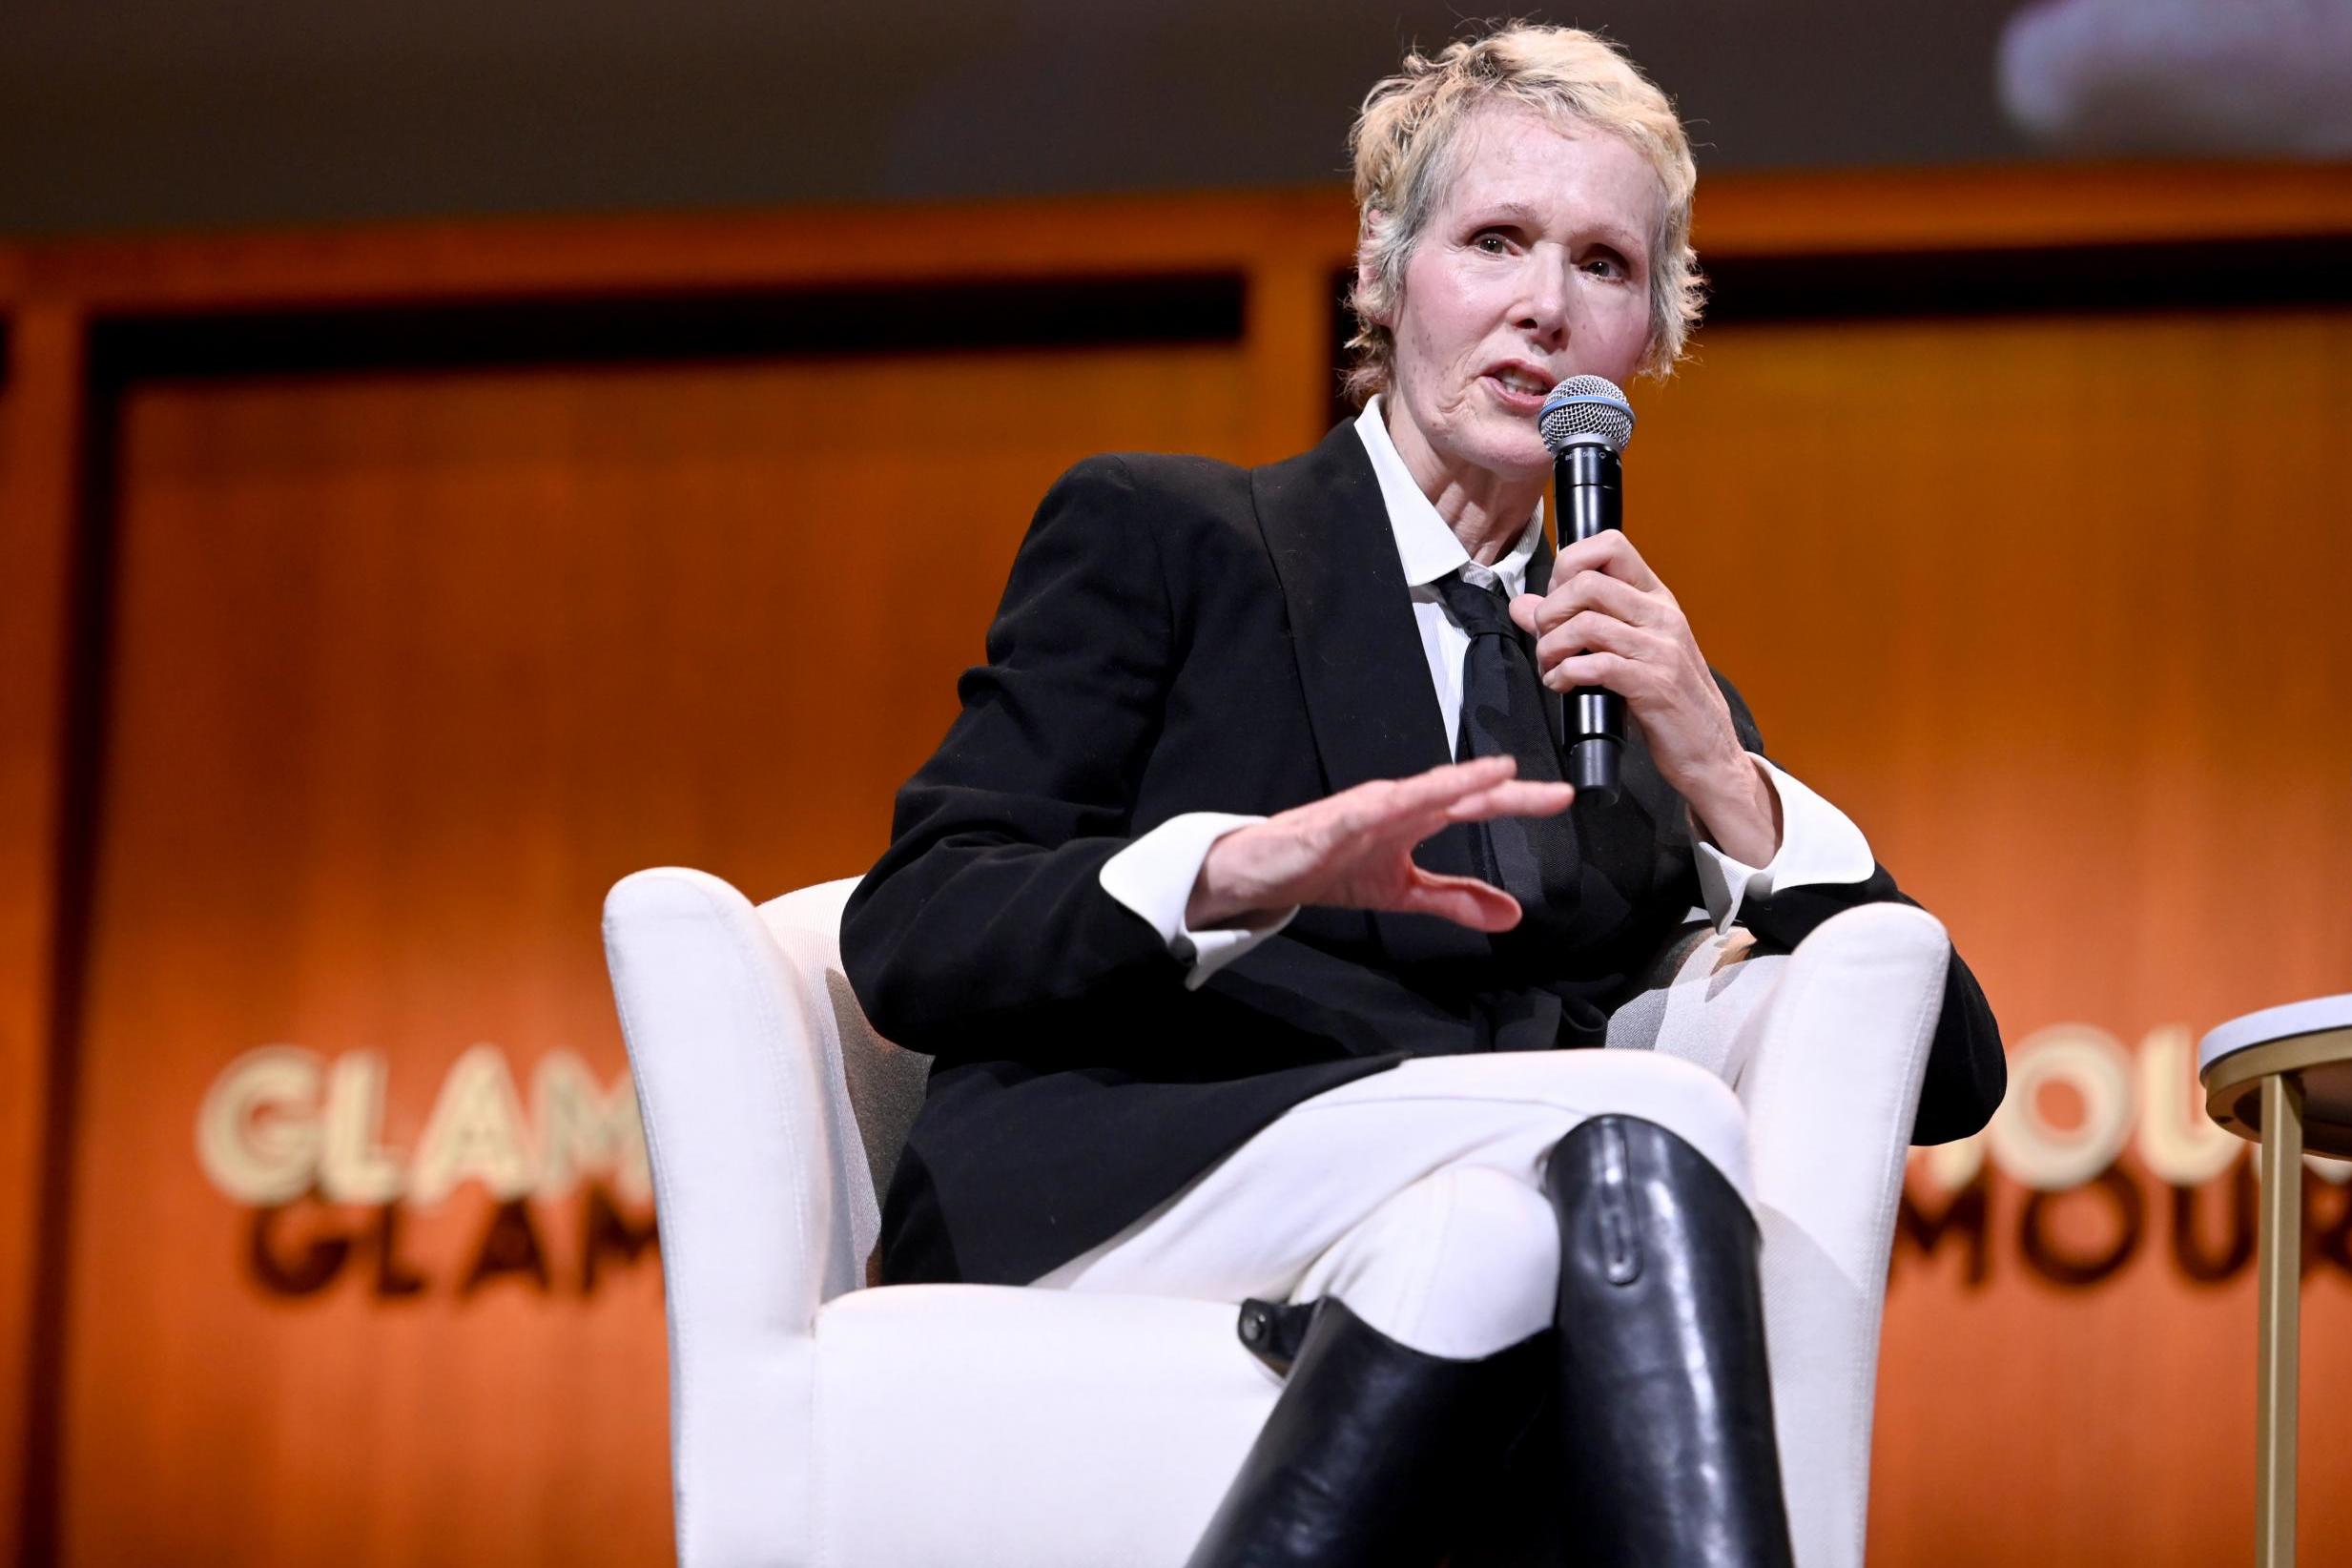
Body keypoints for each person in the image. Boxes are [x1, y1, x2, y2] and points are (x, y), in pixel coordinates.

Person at [843, 23, 2004, 1568]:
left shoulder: (1638, 687)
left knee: (1504, 1237)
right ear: (1386, 280)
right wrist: (1238, 870)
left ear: (1651, 336)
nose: (1542, 306)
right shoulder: (1170, 537)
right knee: (1639, 1116)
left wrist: (1720, 769)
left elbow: (1944, 1075)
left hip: (1461, 1245)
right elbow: (914, 930)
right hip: (1137, 1174)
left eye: (1602, 263)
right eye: (1497, 242)